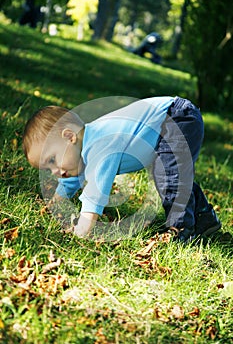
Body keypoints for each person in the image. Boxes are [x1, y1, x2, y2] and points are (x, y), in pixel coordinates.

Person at [22, 96, 221, 241]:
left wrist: (83, 228)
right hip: (172, 118)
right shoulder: (81, 150)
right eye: (48, 169)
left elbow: (95, 193)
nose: (55, 171)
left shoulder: (100, 146)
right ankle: (205, 218)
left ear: (69, 137)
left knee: (169, 176)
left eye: (52, 160)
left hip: (176, 117)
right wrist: (57, 200)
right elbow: (73, 174)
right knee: (173, 174)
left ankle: (181, 229)